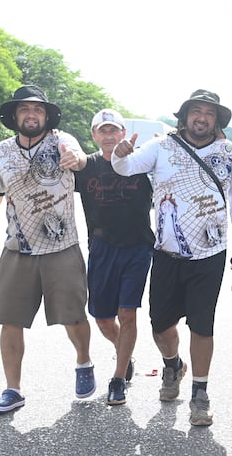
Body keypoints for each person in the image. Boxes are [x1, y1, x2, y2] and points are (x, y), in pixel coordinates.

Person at [111, 89, 232, 426]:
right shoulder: (162, 146)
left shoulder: (227, 152)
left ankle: (200, 393)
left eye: (209, 113)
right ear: (185, 115)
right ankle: (172, 364)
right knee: (161, 325)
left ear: (216, 121)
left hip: (210, 254)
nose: (201, 118)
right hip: (167, 254)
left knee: (202, 325)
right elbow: (126, 168)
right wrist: (118, 153)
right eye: (196, 111)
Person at [0, 85, 95, 415]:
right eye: (25, 110)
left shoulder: (61, 139)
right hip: (16, 248)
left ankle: (84, 361)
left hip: (61, 248)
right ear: (16, 116)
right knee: (10, 320)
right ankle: (12, 390)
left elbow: (78, 160)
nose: (31, 114)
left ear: (46, 116)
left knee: (73, 318)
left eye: (38, 110)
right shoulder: (3, 151)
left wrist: (75, 159)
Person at [74, 109, 155, 405]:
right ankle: (126, 352)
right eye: (102, 131)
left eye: (114, 131)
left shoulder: (140, 164)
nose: (109, 136)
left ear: (122, 133)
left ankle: (118, 378)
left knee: (127, 313)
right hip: (101, 248)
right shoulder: (85, 167)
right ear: (94, 135)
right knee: (104, 319)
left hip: (137, 247)